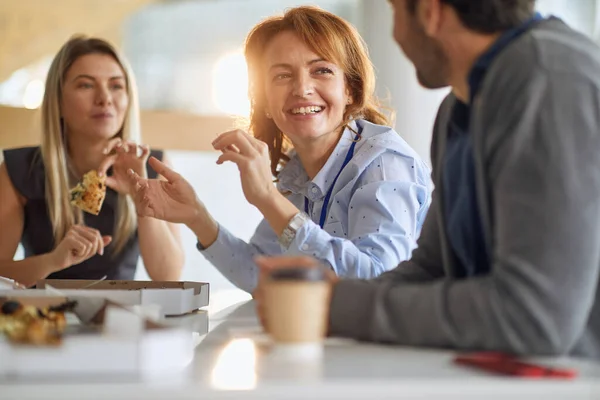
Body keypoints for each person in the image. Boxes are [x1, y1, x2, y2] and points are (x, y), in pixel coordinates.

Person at [253, 0, 600, 359]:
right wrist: (324, 297)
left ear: (431, 13)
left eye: (394, 12)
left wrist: (335, 306)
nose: (395, 34)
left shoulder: (547, 78)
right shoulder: (460, 106)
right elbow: (430, 269)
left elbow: (533, 317)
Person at [126, 6, 431, 293]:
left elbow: (378, 280)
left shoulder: (384, 161)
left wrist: (269, 199)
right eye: (282, 76)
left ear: (350, 90)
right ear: (266, 104)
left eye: (321, 70)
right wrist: (197, 217)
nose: (302, 88)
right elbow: (261, 274)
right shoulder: (297, 173)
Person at [0, 36, 184, 287]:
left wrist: (142, 195)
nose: (104, 98)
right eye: (86, 86)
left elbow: (168, 276)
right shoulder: (19, 169)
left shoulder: (153, 165)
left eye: (116, 86)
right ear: (59, 102)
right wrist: (53, 261)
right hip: (42, 318)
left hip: (120, 318)